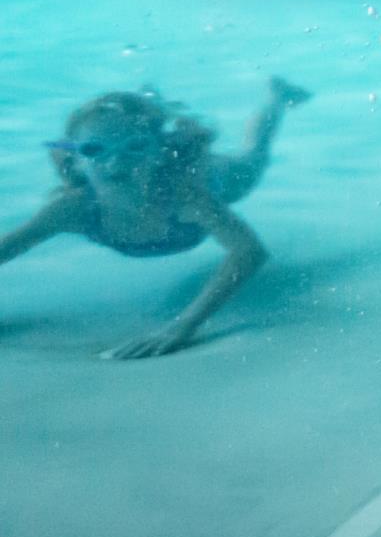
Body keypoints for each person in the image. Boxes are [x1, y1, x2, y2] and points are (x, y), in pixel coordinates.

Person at [0, 78, 310, 359]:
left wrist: (182, 327)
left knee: (253, 158)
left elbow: (249, 252)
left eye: (135, 146)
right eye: (95, 149)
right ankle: (150, 100)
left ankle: (277, 99)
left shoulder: (185, 197)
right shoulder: (72, 209)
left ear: (161, 152)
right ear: (76, 161)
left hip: (216, 178)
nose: (117, 160)